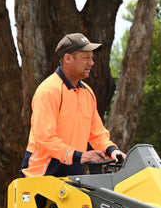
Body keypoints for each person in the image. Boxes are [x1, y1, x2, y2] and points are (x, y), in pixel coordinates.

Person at [20, 33, 126, 177]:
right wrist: (79, 156)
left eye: (92, 58)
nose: (91, 63)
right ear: (68, 58)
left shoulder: (87, 93)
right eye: (86, 58)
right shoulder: (48, 90)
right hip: (40, 177)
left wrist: (112, 150)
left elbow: (97, 134)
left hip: (71, 177)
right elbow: (44, 137)